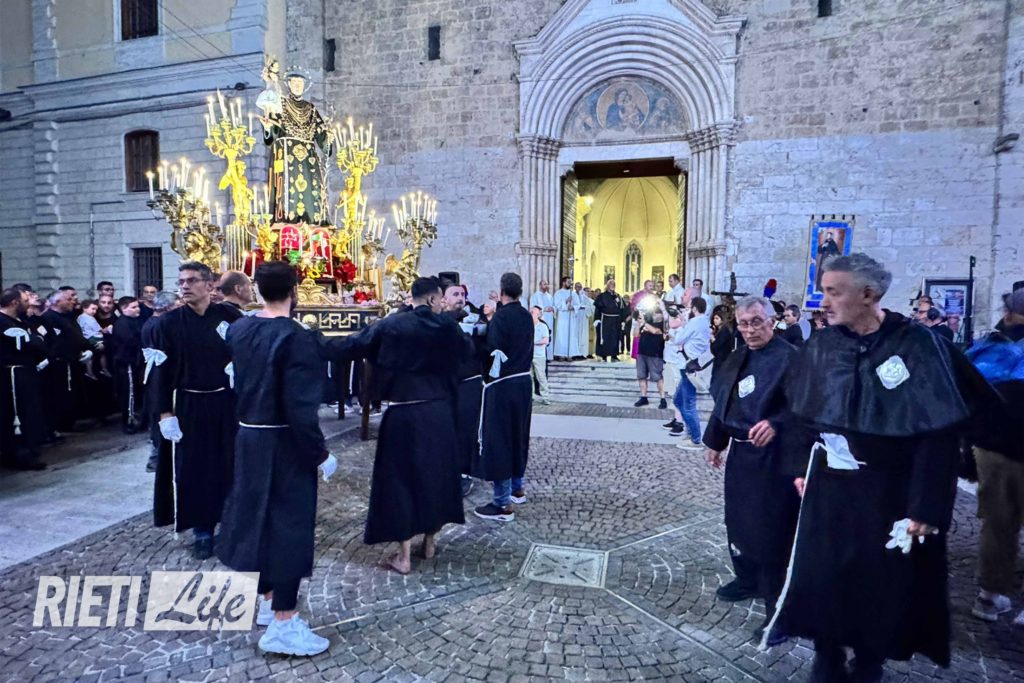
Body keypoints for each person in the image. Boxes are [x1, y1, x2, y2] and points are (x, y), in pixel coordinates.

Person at [771, 253, 989, 681]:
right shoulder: (822, 344)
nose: (823, 302)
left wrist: (926, 507)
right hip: (829, 486)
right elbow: (798, 410)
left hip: (888, 491)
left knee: (878, 583)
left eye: (833, 292)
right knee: (824, 575)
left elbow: (937, 431)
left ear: (869, 294)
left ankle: (870, 659)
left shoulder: (917, 345)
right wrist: (799, 466)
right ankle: (827, 654)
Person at [216, 261, 334, 657]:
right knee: (289, 527)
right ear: (294, 291)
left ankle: (269, 600)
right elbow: (299, 406)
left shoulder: (240, 328)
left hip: (249, 436)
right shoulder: (295, 337)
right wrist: (319, 452)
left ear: (257, 289)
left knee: (259, 520)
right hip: (283, 442)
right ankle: (284, 620)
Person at [321, 277, 466, 573]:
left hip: (404, 413)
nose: (442, 305)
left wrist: (309, 339)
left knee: (400, 480)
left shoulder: (392, 324)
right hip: (439, 412)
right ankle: (429, 541)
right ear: (432, 299)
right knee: (436, 476)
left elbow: (351, 345)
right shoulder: (449, 326)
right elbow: (467, 354)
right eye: (440, 300)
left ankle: (404, 555)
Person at [704, 296, 800, 645]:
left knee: (772, 532)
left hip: (775, 459)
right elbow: (724, 401)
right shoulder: (737, 356)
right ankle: (748, 579)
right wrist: (715, 441)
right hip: (742, 456)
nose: (749, 330)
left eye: (756, 322)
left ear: (772, 321)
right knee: (739, 521)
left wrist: (777, 423)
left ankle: (780, 611)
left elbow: (807, 407)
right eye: (743, 323)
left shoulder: (792, 359)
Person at [150, 262, 237, 560]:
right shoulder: (168, 324)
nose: (185, 286)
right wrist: (164, 413)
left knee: (227, 464)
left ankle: (230, 522)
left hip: (225, 403)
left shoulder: (229, 317)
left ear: (210, 285)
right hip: (187, 405)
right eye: (181, 281)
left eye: (191, 280)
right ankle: (202, 530)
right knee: (195, 469)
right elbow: (159, 372)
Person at [965, 289, 1024, 625]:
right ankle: (990, 594)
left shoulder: (990, 346)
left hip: (993, 448)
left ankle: (990, 594)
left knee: (997, 522)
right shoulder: (992, 344)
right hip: (995, 448)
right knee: (997, 521)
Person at [473, 273, 534, 522]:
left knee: (500, 440)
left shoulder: (501, 317)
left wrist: (477, 341)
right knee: (518, 436)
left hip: (503, 385)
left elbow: (493, 352)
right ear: (520, 291)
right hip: (524, 383)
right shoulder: (527, 316)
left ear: (501, 291)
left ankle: (502, 503)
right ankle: (517, 489)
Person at [441, 278, 487, 498]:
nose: (460, 298)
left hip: (469, 382)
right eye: (455, 294)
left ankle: (464, 473)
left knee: (466, 429)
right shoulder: (438, 322)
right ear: (443, 300)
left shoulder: (475, 318)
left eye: (462, 295)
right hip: (445, 384)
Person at [0, 288, 49, 470]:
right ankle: (20, 455)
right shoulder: (3, 322)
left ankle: (28, 450)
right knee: (18, 414)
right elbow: (31, 343)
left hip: (27, 372)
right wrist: (35, 341)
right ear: (15, 303)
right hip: (14, 375)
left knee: (31, 412)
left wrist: (36, 341)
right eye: (26, 300)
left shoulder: (20, 321)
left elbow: (39, 341)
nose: (29, 304)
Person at [41, 288, 91, 433]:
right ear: (57, 302)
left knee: (74, 394)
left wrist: (86, 349)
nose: (72, 302)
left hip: (74, 360)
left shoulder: (69, 316)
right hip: (60, 363)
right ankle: (60, 425)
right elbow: (55, 342)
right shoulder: (49, 318)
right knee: (61, 395)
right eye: (68, 299)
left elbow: (76, 336)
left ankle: (69, 422)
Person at [141, 291, 179, 472]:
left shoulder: (154, 322)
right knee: (160, 415)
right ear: (168, 307)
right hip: (159, 374)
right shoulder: (159, 325)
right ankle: (155, 458)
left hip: (157, 372)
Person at [673, 297, 710, 447]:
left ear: (694, 309)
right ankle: (690, 432)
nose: (687, 309)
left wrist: (682, 323)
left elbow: (678, 339)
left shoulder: (695, 322)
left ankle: (695, 438)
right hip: (690, 364)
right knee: (678, 400)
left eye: (689, 307)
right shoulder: (705, 321)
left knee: (688, 404)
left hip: (688, 366)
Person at [111, 296, 145, 434]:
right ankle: (128, 421)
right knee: (128, 392)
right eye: (134, 307)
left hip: (134, 361)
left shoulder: (134, 321)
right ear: (124, 309)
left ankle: (133, 417)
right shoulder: (122, 324)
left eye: (138, 306)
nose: (138, 309)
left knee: (133, 391)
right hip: (127, 362)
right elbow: (131, 341)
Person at [634, 300, 667, 409]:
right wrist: (638, 323)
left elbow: (655, 331)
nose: (655, 315)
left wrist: (644, 323)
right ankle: (643, 397)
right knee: (641, 376)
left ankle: (663, 398)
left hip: (655, 353)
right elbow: (636, 335)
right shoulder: (646, 322)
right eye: (654, 313)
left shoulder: (663, 324)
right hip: (642, 352)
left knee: (658, 377)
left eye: (657, 314)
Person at [76, 300, 109, 380]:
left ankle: (90, 372)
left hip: (86, 338)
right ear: (84, 308)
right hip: (93, 338)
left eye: (96, 309)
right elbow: (99, 329)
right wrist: (107, 329)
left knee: (91, 357)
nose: (95, 311)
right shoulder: (89, 318)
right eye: (93, 309)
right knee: (103, 352)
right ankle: (103, 369)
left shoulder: (80, 317)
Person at [594, 280, 625, 362]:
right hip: (605, 319)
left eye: (614, 284)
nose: (612, 285)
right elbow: (598, 309)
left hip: (616, 320)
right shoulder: (601, 296)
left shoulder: (618, 296)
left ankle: (614, 355)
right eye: (611, 284)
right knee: (605, 337)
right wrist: (597, 319)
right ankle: (603, 355)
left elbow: (622, 309)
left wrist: (623, 320)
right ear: (607, 285)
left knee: (615, 337)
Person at [552, 277, 582, 360]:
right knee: (562, 335)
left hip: (571, 317)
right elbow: (557, 305)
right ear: (563, 282)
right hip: (562, 317)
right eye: (568, 282)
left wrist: (573, 307)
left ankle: (570, 354)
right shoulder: (558, 293)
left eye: (571, 282)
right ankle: (561, 354)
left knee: (571, 335)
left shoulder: (573, 294)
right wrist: (566, 301)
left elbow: (578, 304)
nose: (570, 284)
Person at [529, 280, 555, 361]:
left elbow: (554, 306)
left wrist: (553, 308)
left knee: (548, 336)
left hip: (549, 319)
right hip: (540, 319)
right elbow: (532, 309)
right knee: (540, 337)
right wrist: (544, 309)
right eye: (544, 284)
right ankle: (541, 356)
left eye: (547, 284)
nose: (546, 286)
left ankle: (549, 356)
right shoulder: (535, 296)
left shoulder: (550, 296)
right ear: (540, 285)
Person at [710, 305, 737, 383]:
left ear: (722, 320)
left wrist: (712, 338)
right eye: (714, 319)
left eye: (717, 318)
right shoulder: (719, 331)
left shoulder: (725, 331)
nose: (714, 321)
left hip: (722, 361)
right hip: (719, 360)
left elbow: (717, 346)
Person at [531, 305, 551, 405]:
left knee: (541, 377)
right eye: (530, 312)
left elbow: (546, 340)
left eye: (533, 312)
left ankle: (545, 397)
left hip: (539, 355)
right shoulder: (527, 325)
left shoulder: (543, 326)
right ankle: (530, 396)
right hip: (528, 355)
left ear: (538, 314)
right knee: (529, 377)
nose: (531, 314)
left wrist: (533, 343)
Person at [574, 282, 593, 359]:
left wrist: (585, 308)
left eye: (580, 287)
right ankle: (575, 353)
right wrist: (577, 307)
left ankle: (582, 353)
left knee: (583, 336)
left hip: (584, 318)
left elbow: (589, 306)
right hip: (575, 318)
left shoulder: (584, 297)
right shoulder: (573, 295)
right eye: (577, 287)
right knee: (576, 336)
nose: (579, 288)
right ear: (575, 287)